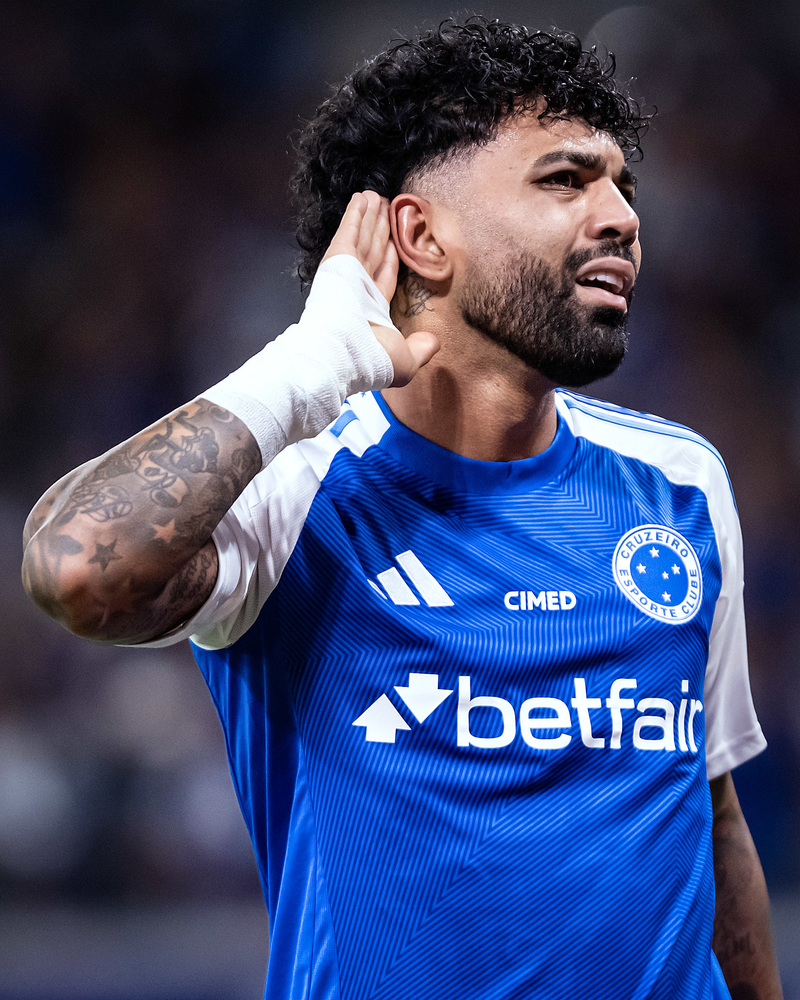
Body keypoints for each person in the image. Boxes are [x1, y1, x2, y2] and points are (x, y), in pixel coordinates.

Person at [21, 17, 783, 1000]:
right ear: (420, 236)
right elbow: (76, 566)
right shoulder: (297, 490)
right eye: (565, 180)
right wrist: (309, 365)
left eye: (622, 186)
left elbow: (712, 817)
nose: (622, 217)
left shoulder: (680, 482)